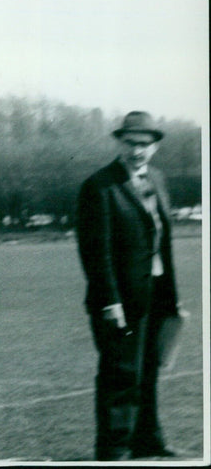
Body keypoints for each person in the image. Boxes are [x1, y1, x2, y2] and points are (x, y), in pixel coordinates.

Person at [76, 111, 183, 460]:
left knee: (149, 370)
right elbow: (96, 251)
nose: (137, 150)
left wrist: (171, 298)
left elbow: (162, 240)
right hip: (119, 299)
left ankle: (148, 440)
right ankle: (115, 449)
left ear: (154, 147)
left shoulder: (158, 179)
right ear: (120, 143)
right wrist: (110, 301)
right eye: (130, 143)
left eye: (144, 144)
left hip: (157, 293)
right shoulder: (100, 186)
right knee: (121, 373)